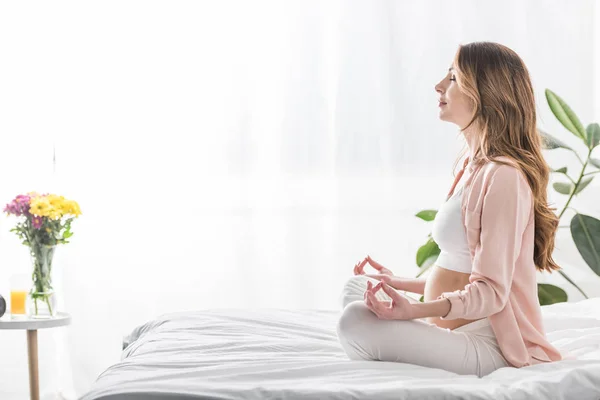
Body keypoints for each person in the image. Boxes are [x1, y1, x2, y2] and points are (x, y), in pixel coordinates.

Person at [336, 41, 564, 378]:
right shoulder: (472, 166)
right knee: (356, 288)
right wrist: (396, 282)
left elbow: (491, 293)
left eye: (453, 78)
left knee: (354, 321)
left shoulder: (505, 177)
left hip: (488, 340)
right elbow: (460, 267)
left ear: (485, 93)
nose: (439, 86)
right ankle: (410, 339)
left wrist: (412, 311)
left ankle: (408, 343)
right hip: (448, 323)